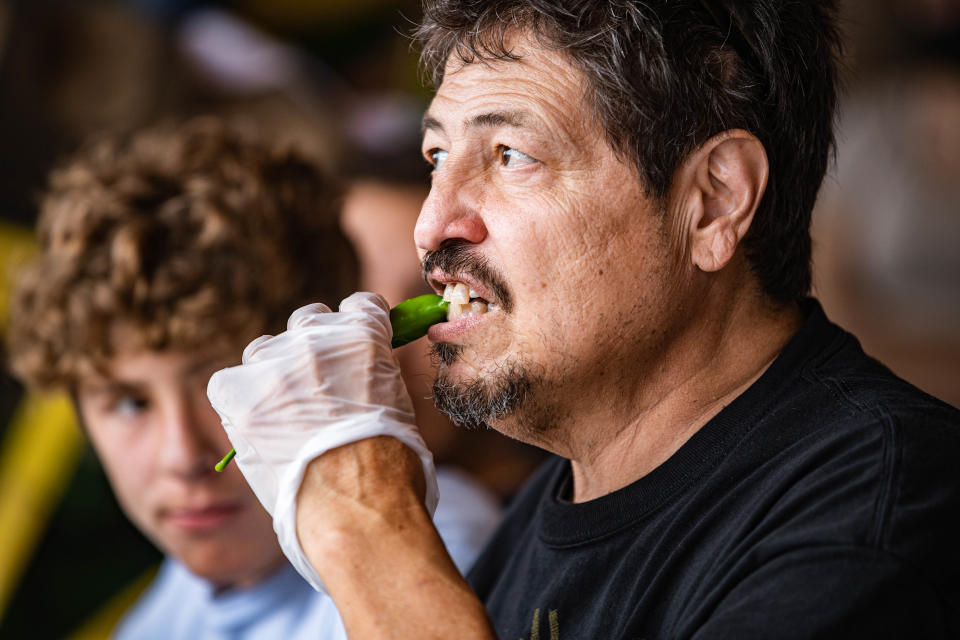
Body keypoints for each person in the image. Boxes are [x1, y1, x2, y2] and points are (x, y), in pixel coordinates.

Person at [205, 2, 960, 638]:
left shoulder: (880, 515)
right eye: (437, 157)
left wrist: (363, 520)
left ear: (714, 201)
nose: (434, 225)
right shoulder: (547, 514)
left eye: (510, 155)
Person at [5, 117, 502, 638]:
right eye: (131, 404)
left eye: (224, 387)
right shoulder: (156, 620)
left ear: (318, 361)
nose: (183, 456)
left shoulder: (437, 544)